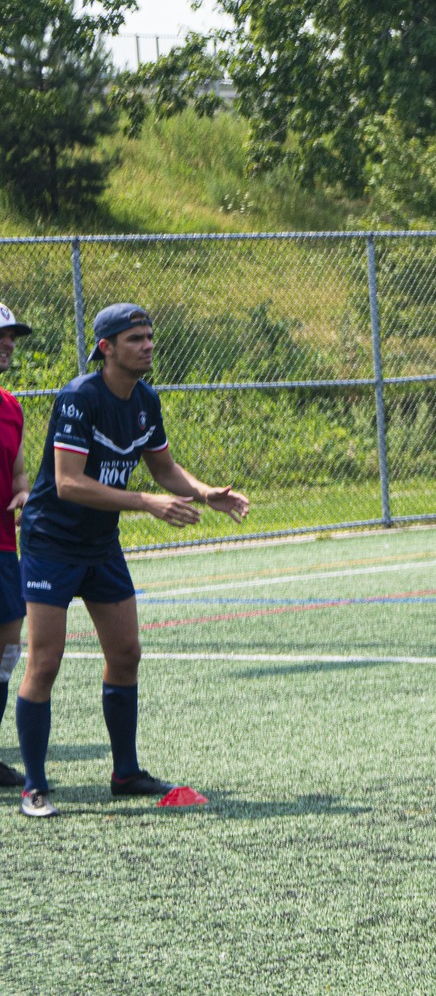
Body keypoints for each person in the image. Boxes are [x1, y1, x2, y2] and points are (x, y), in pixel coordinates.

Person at [15, 303, 250, 819]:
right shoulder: (80, 397)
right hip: (51, 543)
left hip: (101, 546)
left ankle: (125, 773)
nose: (147, 345)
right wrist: (146, 502)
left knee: (126, 654)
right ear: (106, 348)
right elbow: (69, 484)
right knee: (45, 661)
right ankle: (34, 786)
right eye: (135, 338)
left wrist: (206, 492)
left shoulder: (145, 399)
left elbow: (164, 468)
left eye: (149, 336)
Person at [0, 305, 32, 788]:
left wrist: (25, 493)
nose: (7, 344)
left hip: (5, 549)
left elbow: (20, 471)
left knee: (6, 652)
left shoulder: (11, 406)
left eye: (10, 338)